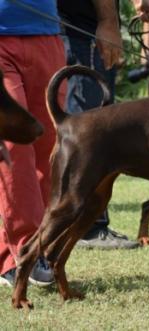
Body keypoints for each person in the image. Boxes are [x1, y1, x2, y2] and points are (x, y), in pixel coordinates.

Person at [57, 0, 149, 249]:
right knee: (91, 132)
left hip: (79, 29)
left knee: (94, 126)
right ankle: (87, 226)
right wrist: (108, 22)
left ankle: (83, 222)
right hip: (81, 30)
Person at [0, 0, 65, 286]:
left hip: (46, 34)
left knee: (50, 146)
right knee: (15, 147)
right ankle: (22, 253)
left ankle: (42, 245)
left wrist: (109, 22)